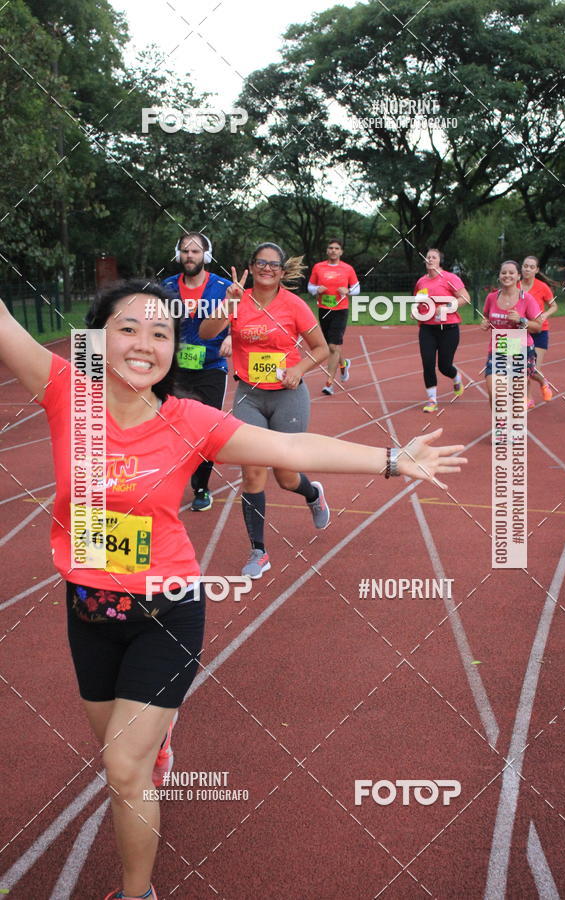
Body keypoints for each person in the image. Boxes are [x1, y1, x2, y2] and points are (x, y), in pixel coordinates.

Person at [0, 279, 466, 899]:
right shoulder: (66, 394)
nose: (146, 343)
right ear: (95, 339)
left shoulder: (187, 420)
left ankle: (137, 892)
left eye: (161, 333)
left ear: (174, 349)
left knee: (122, 767)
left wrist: (390, 458)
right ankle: (157, 745)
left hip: (167, 610)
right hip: (87, 610)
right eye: (129, 328)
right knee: (120, 747)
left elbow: (287, 445)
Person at [200, 242, 332, 578]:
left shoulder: (294, 305)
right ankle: (258, 551)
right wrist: (227, 303)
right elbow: (206, 333)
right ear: (251, 266)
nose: (266, 269)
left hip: (288, 396)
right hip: (249, 396)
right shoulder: (236, 300)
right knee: (253, 473)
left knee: (286, 476)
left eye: (273, 265)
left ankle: (312, 493)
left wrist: (299, 370)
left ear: (283, 271)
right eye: (260, 262)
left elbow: (321, 349)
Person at [163, 232, 231, 511]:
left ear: (207, 255)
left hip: (212, 367)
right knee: (171, 426)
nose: (189, 256)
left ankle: (201, 486)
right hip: (175, 369)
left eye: (195, 251)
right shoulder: (165, 287)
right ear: (178, 255)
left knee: (207, 428)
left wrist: (233, 338)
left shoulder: (224, 287)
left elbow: (244, 318)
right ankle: (169, 481)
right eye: (184, 251)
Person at [480, 260, 543, 410]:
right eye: (503, 273)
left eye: (511, 273)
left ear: (518, 276)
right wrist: (485, 323)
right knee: (494, 392)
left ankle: (508, 425)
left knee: (514, 396)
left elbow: (538, 326)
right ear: (499, 276)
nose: (507, 275)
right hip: (498, 350)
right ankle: (500, 425)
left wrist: (522, 320)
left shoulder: (526, 299)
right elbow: (486, 317)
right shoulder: (491, 298)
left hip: (520, 351)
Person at [413, 248, 470, 413]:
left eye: (434, 257)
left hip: (449, 329)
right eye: (428, 257)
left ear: (439, 261)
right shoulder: (421, 282)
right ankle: (432, 400)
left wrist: (447, 307)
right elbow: (418, 301)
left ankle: (456, 377)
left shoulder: (450, 278)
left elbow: (465, 297)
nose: (430, 259)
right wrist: (415, 311)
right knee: (428, 364)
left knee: (444, 366)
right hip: (427, 329)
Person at [307, 238, 360, 395]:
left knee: (333, 346)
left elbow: (357, 288)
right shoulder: (318, 267)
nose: (333, 251)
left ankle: (329, 382)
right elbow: (309, 287)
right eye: (330, 248)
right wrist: (317, 289)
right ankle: (343, 364)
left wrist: (348, 291)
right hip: (324, 309)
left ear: (341, 252)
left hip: (341, 310)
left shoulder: (348, 269)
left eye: (336, 248)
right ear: (327, 250)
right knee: (330, 344)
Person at [521, 255, 557, 408]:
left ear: (537, 270)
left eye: (531, 267)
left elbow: (554, 306)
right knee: (522, 367)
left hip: (540, 331)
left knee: (532, 368)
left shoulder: (542, 287)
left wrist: (545, 315)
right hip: (521, 331)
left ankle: (543, 382)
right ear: (521, 268)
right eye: (525, 266)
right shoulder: (515, 286)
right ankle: (528, 398)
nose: (527, 269)